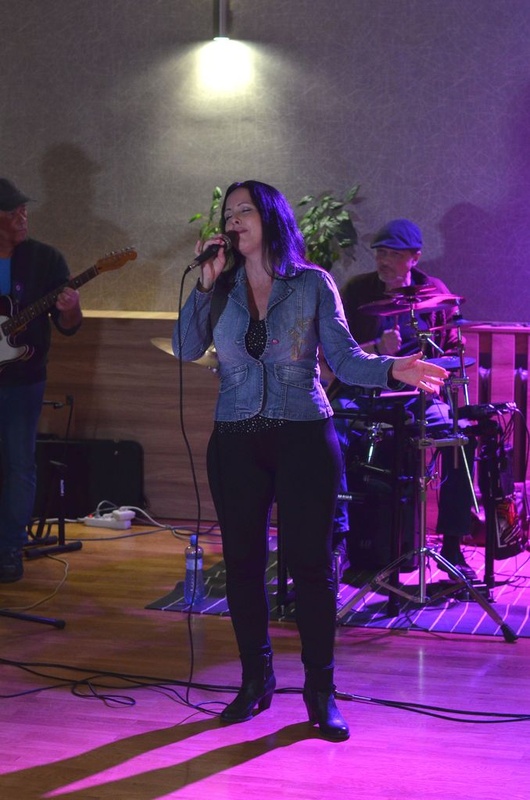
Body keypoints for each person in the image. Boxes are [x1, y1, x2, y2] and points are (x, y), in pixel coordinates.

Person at [173, 182, 446, 741]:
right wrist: (203, 284)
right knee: (243, 564)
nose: (233, 220)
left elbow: (343, 360)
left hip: (302, 434)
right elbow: (184, 347)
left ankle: (320, 691)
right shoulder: (219, 285)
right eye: (228, 213)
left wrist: (392, 369)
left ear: (271, 218)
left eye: (244, 210)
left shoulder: (312, 283)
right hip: (235, 437)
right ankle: (256, 680)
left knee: (313, 567)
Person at [330, 218, 477, 579]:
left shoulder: (435, 292)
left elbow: (453, 349)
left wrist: (442, 363)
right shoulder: (357, 290)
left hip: (417, 396)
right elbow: (336, 354)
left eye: (394, 254)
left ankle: (453, 546)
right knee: (328, 433)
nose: (384, 261)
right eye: (380, 252)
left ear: (414, 257)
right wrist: (376, 347)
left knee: (461, 438)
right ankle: (339, 540)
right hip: (365, 392)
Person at [0, 178, 83, 583]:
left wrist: (70, 308)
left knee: (20, 464)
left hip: (23, 380)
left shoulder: (46, 260)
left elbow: (69, 326)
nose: (23, 217)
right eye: (13, 212)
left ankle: (9, 550)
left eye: (24, 210)